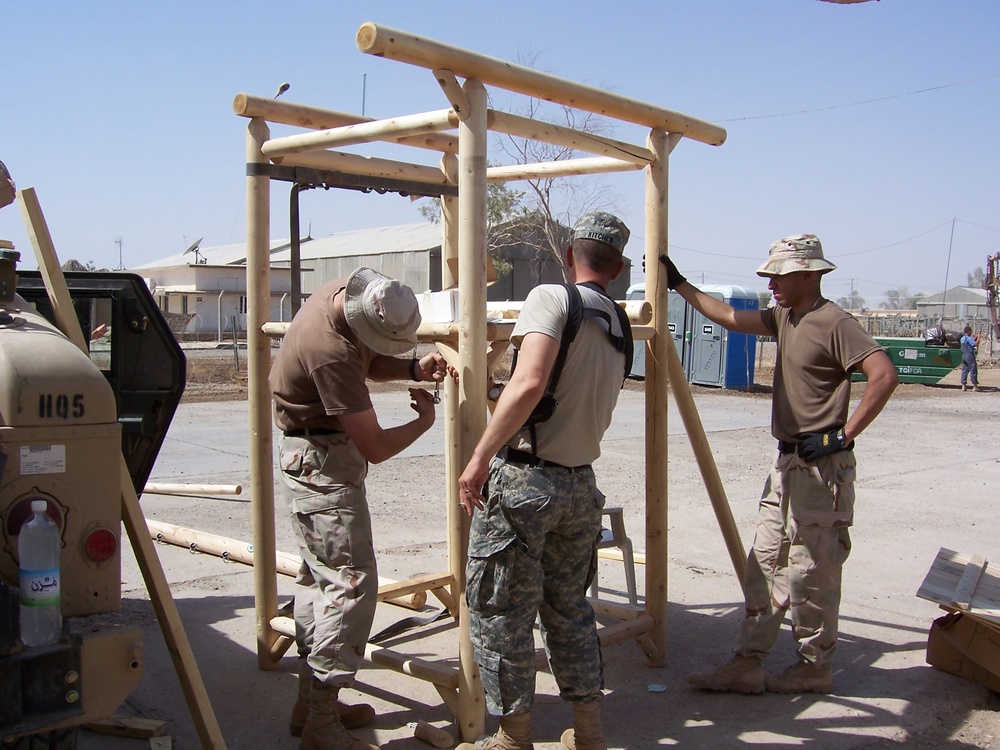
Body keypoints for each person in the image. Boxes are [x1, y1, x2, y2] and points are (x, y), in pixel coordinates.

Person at [667, 234, 898, 695]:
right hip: (787, 463)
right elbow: (730, 317)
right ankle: (747, 663)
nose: (771, 282)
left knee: (810, 572)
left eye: (779, 274)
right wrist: (680, 285)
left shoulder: (834, 321)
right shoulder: (783, 317)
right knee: (765, 562)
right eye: (769, 274)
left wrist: (841, 435)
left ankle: (814, 667)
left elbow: (884, 375)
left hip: (821, 470)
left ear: (810, 274)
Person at [456, 212, 632, 750]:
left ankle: (513, 739)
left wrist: (480, 456)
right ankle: (588, 733)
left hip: (528, 483)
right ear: (619, 267)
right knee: (569, 610)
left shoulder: (551, 299)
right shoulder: (619, 323)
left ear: (568, 256)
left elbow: (530, 383)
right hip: (581, 486)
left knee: (500, 611)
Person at [270, 267, 456, 750]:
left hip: (313, 459)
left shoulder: (336, 302)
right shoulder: (328, 350)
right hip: (322, 469)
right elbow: (373, 444)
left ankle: (309, 706)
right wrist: (424, 424)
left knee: (319, 581)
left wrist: (413, 369)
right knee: (350, 585)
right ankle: (322, 721)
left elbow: (365, 361)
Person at [960, 325, 980, 392]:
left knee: (964, 370)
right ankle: (975, 386)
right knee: (973, 370)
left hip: (963, 355)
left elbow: (968, 342)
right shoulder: (969, 338)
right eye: (970, 331)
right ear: (968, 331)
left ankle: (963, 386)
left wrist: (975, 338)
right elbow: (975, 344)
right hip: (969, 355)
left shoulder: (962, 338)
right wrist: (979, 338)